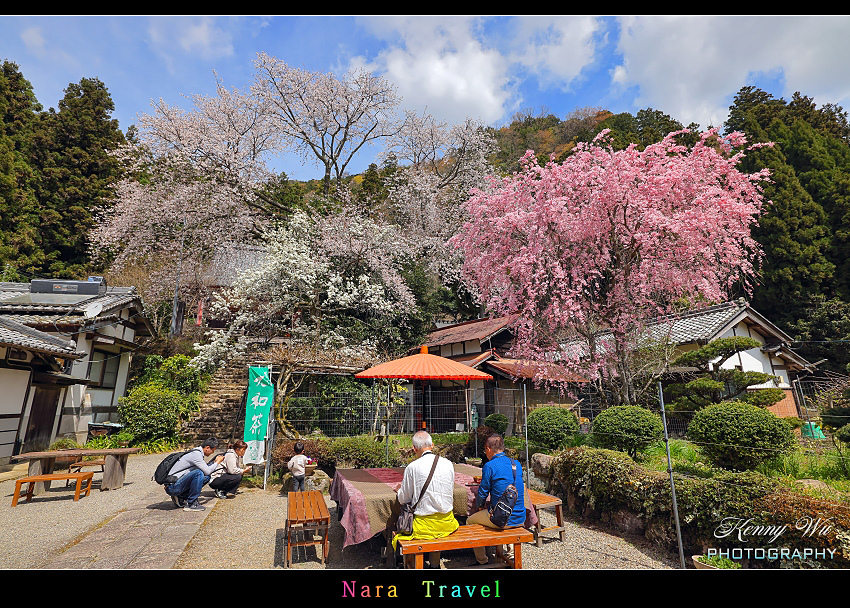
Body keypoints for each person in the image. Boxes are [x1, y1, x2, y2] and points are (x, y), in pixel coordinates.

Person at [392, 430, 459, 569]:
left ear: (414, 449)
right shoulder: (448, 464)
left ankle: (412, 564)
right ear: (432, 445)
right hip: (447, 523)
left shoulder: (412, 467)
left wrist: (399, 491)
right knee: (436, 530)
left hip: (424, 526)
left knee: (403, 532)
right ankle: (434, 564)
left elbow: (403, 499)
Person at [466, 433, 526, 565]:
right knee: (504, 510)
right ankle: (509, 552)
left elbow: (482, 492)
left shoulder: (490, 466)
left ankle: (482, 560)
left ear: (488, 449)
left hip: (501, 519)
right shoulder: (516, 464)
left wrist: (480, 507)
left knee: (470, 520)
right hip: (520, 517)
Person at [165, 437, 224, 512]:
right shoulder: (196, 454)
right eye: (213, 450)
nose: (212, 453)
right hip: (173, 487)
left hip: (175, 483)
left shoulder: (197, 452)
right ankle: (191, 504)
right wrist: (217, 462)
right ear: (207, 448)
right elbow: (208, 471)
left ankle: (182, 496)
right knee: (198, 473)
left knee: (206, 477)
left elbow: (206, 471)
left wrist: (214, 463)